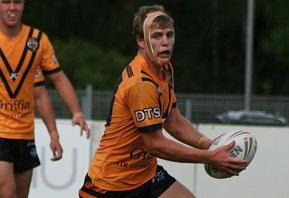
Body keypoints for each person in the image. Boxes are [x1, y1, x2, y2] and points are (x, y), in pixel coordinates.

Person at [79, 4, 247, 198]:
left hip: (146, 176)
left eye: (169, 34)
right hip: (111, 186)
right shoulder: (140, 84)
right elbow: (156, 145)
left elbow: (173, 120)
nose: (165, 42)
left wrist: (208, 144)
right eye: (157, 36)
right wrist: (210, 157)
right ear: (141, 41)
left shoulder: (164, 71)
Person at [0, 0, 90, 198]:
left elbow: (46, 89)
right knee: (7, 193)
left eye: (17, 2)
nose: (12, 7)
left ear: (23, 5)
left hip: (25, 135)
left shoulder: (37, 40)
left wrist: (67, 121)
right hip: (0, 132)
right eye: (6, 2)